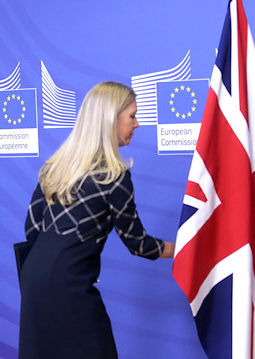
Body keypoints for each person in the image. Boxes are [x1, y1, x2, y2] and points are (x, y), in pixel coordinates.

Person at [18, 81, 176, 359]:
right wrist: (187, 247)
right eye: (132, 116)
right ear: (109, 119)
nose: (137, 124)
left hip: (34, 278)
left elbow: (32, 228)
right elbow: (139, 244)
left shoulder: (56, 166)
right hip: (69, 284)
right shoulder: (113, 175)